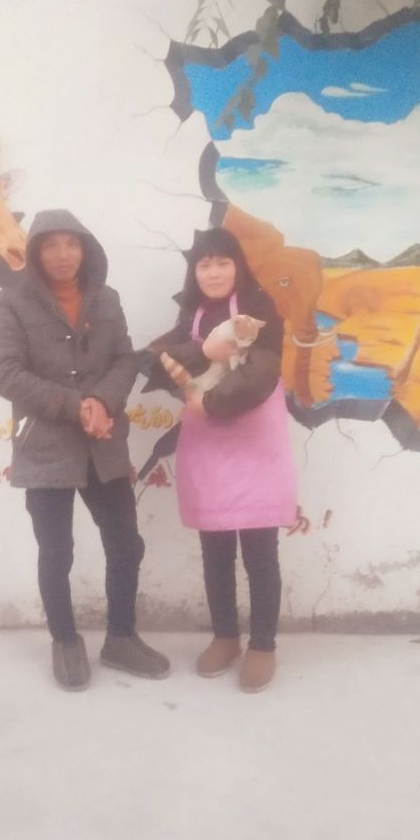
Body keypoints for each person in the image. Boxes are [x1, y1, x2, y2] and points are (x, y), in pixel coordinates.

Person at [0, 209, 169, 690]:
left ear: (85, 249)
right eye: (51, 244)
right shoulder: (11, 302)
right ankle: (65, 641)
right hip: (45, 445)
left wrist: (102, 402)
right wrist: (75, 406)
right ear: (35, 252)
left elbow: (125, 359)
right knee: (57, 550)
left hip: (103, 443)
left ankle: (121, 637)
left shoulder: (106, 299)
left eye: (72, 243)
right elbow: (4, 372)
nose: (63, 254)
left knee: (125, 543)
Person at [154, 227, 297, 693]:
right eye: (204, 264)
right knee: (215, 548)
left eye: (222, 262)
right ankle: (225, 636)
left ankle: (262, 645)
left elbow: (260, 373)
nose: (213, 272)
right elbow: (167, 362)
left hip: (255, 442)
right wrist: (204, 351)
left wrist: (208, 402)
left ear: (238, 266)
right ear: (194, 271)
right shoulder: (190, 315)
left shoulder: (261, 309)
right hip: (207, 446)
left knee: (260, 551)